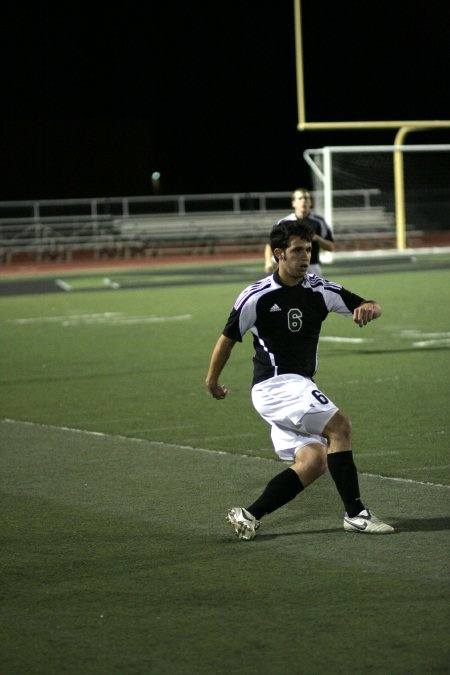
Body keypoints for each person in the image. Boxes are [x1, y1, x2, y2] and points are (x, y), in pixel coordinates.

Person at [206, 219, 393, 540]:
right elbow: (227, 338)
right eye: (296, 251)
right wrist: (212, 382)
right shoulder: (256, 295)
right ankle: (356, 514)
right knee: (341, 428)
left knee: (314, 461)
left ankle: (249, 515)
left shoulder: (318, 288)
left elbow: (366, 303)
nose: (304, 257)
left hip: (297, 386)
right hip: (277, 386)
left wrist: (369, 309)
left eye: (308, 250)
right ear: (279, 254)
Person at [264, 187, 335, 276]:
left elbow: (331, 247)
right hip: (289, 267)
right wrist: (268, 262)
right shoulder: (284, 222)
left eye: (306, 198)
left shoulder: (319, 222)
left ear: (310, 202)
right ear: (293, 203)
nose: (303, 201)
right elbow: (270, 245)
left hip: (312, 268)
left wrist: (318, 238)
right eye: (300, 198)